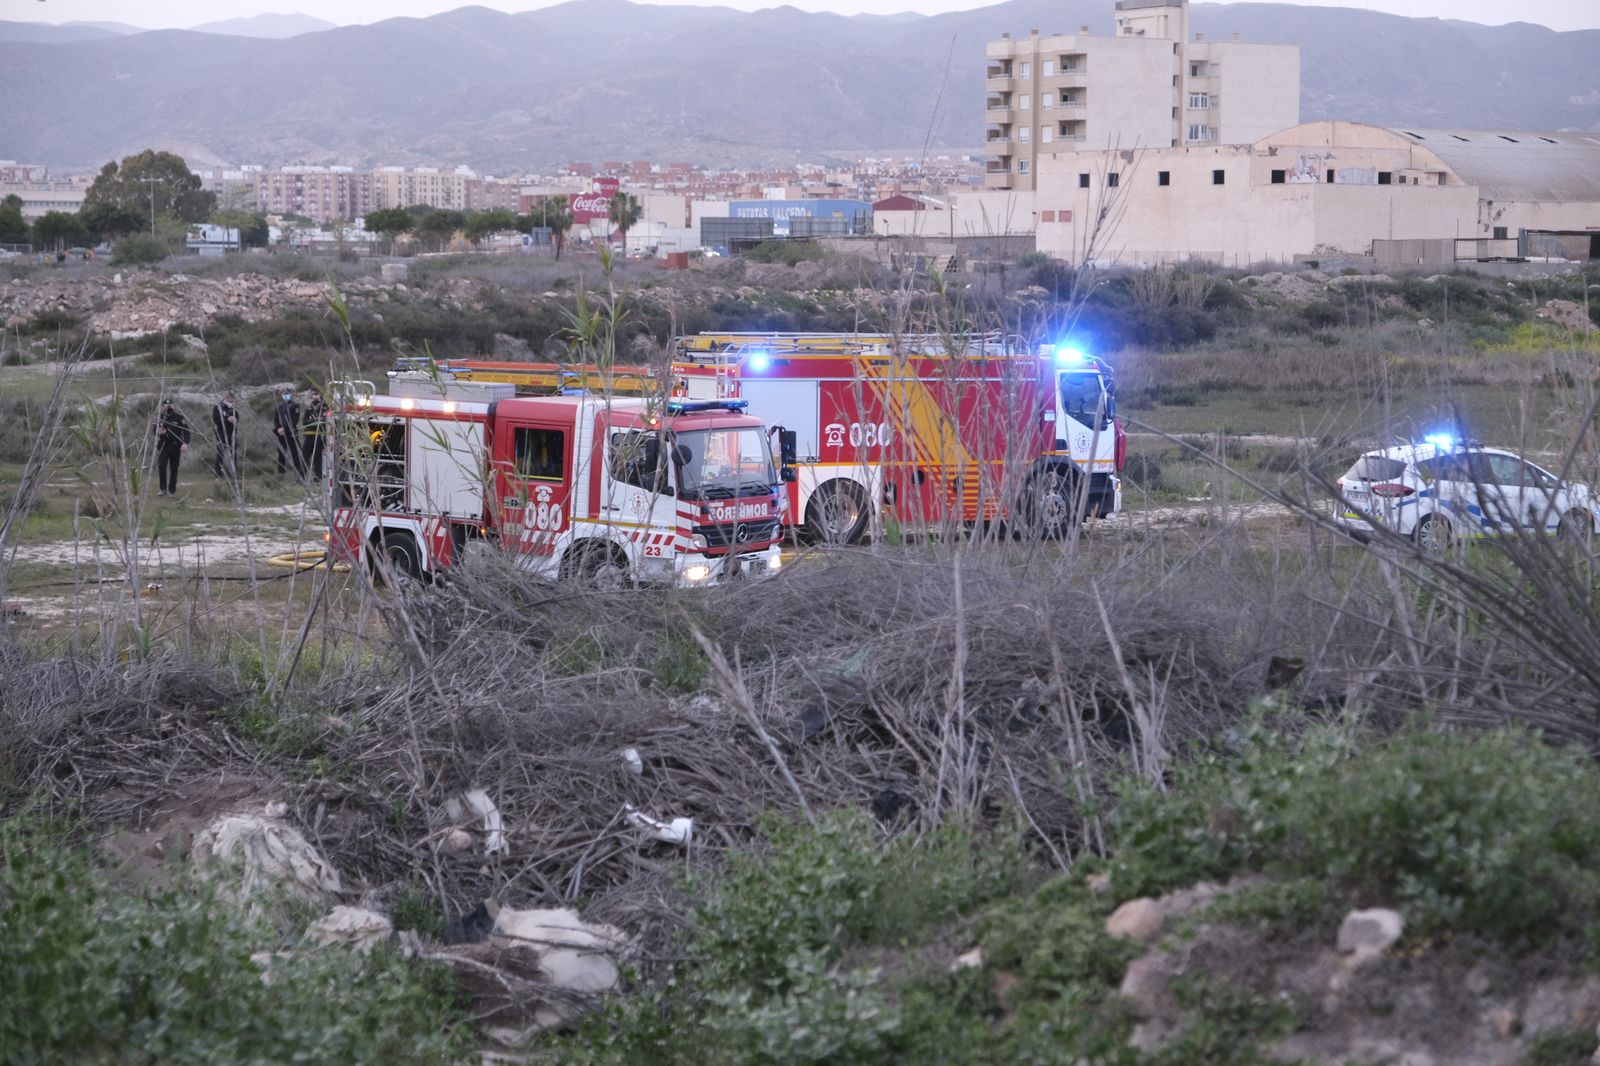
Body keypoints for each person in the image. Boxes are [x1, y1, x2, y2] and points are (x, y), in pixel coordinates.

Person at [152, 399, 191, 497]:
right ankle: (162, 489)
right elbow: (154, 431)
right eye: (166, 405)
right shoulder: (160, 418)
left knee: (174, 468)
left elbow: (186, 432)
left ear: (173, 406)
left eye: (170, 405)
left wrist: (185, 443)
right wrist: (159, 432)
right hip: (164, 445)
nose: (168, 407)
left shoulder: (179, 418)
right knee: (161, 466)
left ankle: (172, 491)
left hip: (175, 446)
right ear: (163, 406)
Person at [273, 389, 303, 476]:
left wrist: (285, 428)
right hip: (281, 432)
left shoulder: (295, 405)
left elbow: (294, 420)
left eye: (287, 394)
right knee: (281, 451)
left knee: (295, 451)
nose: (286, 396)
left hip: (291, 431)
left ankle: (298, 470)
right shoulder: (279, 406)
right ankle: (281, 471)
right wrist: (278, 428)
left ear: (290, 395)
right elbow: (276, 419)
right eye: (284, 394)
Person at [212, 392, 240, 482]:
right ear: (226, 398)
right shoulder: (218, 407)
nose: (232, 401)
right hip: (221, 433)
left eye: (233, 400)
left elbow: (237, 417)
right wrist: (227, 419)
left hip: (232, 433)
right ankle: (218, 474)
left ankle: (234, 473)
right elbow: (216, 419)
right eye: (230, 399)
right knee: (220, 453)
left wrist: (235, 420)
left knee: (233, 453)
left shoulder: (232, 407)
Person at [301, 389, 327, 483]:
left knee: (318, 458)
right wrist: (314, 422)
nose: (315, 396)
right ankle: (301, 477)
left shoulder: (324, 407)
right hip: (309, 436)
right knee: (304, 456)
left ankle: (318, 477)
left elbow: (324, 421)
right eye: (313, 394)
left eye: (316, 394)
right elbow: (305, 421)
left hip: (320, 436)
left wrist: (314, 422)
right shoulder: (309, 408)